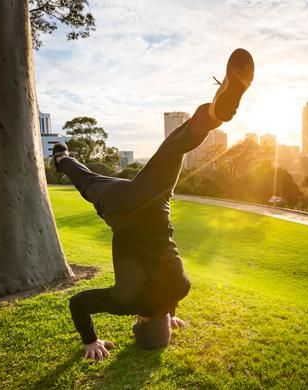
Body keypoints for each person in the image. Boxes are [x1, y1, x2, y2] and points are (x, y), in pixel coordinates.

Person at [52, 48, 255, 361]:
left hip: (153, 196)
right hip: (122, 209)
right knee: (88, 182)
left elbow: (167, 294)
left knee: (175, 146)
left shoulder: (181, 288)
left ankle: (215, 115)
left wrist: (168, 314)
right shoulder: (127, 303)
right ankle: (62, 158)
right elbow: (77, 303)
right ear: (141, 322)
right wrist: (90, 341)